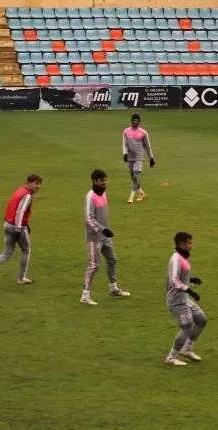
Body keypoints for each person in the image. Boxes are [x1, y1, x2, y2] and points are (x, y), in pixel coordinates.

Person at [81, 169, 131, 305]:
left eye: (105, 180)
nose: (105, 183)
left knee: (112, 260)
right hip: (94, 238)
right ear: (95, 181)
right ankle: (85, 295)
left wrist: (105, 232)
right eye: (102, 180)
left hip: (105, 236)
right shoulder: (90, 197)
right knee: (94, 265)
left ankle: (113, 288)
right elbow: (88, 218)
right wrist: (102, 229)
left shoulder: (103, 194)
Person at [0, 174, 42, 288]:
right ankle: (21, 278)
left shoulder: (19, 190)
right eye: (36, 183)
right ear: (29, 182)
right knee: (26, 250)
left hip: (7, 224)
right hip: (17, 227)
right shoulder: (27, 195)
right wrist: (19, 228)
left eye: (39, 184)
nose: (38, 186)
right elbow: (20, 212)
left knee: (7, 251)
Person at [163, 231, 207, 366]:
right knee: (187, 327)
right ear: (182, 244)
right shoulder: (176, 259)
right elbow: (174, 281)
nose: (191, 245)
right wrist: (190, 290)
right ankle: (171, 357)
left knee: (201, 320)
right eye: (189, 243)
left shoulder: (183, 257)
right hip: (177, 301)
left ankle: (187, 348)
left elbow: (182, 275)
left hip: (184, 299)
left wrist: (190, 279)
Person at [121, 113, 155, 204]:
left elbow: (148, 146)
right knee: (133, 176)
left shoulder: (143, 132)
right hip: (130, 157)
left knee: (136, 175)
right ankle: (141, 193)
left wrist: (151, 157)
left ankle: (131, 197)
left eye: (137, 121)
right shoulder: (126, 131)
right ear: (131, 121)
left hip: (139, 156)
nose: (135, 122)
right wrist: (125, 153)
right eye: (134, 121)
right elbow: (124, 143)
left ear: (139, 122)